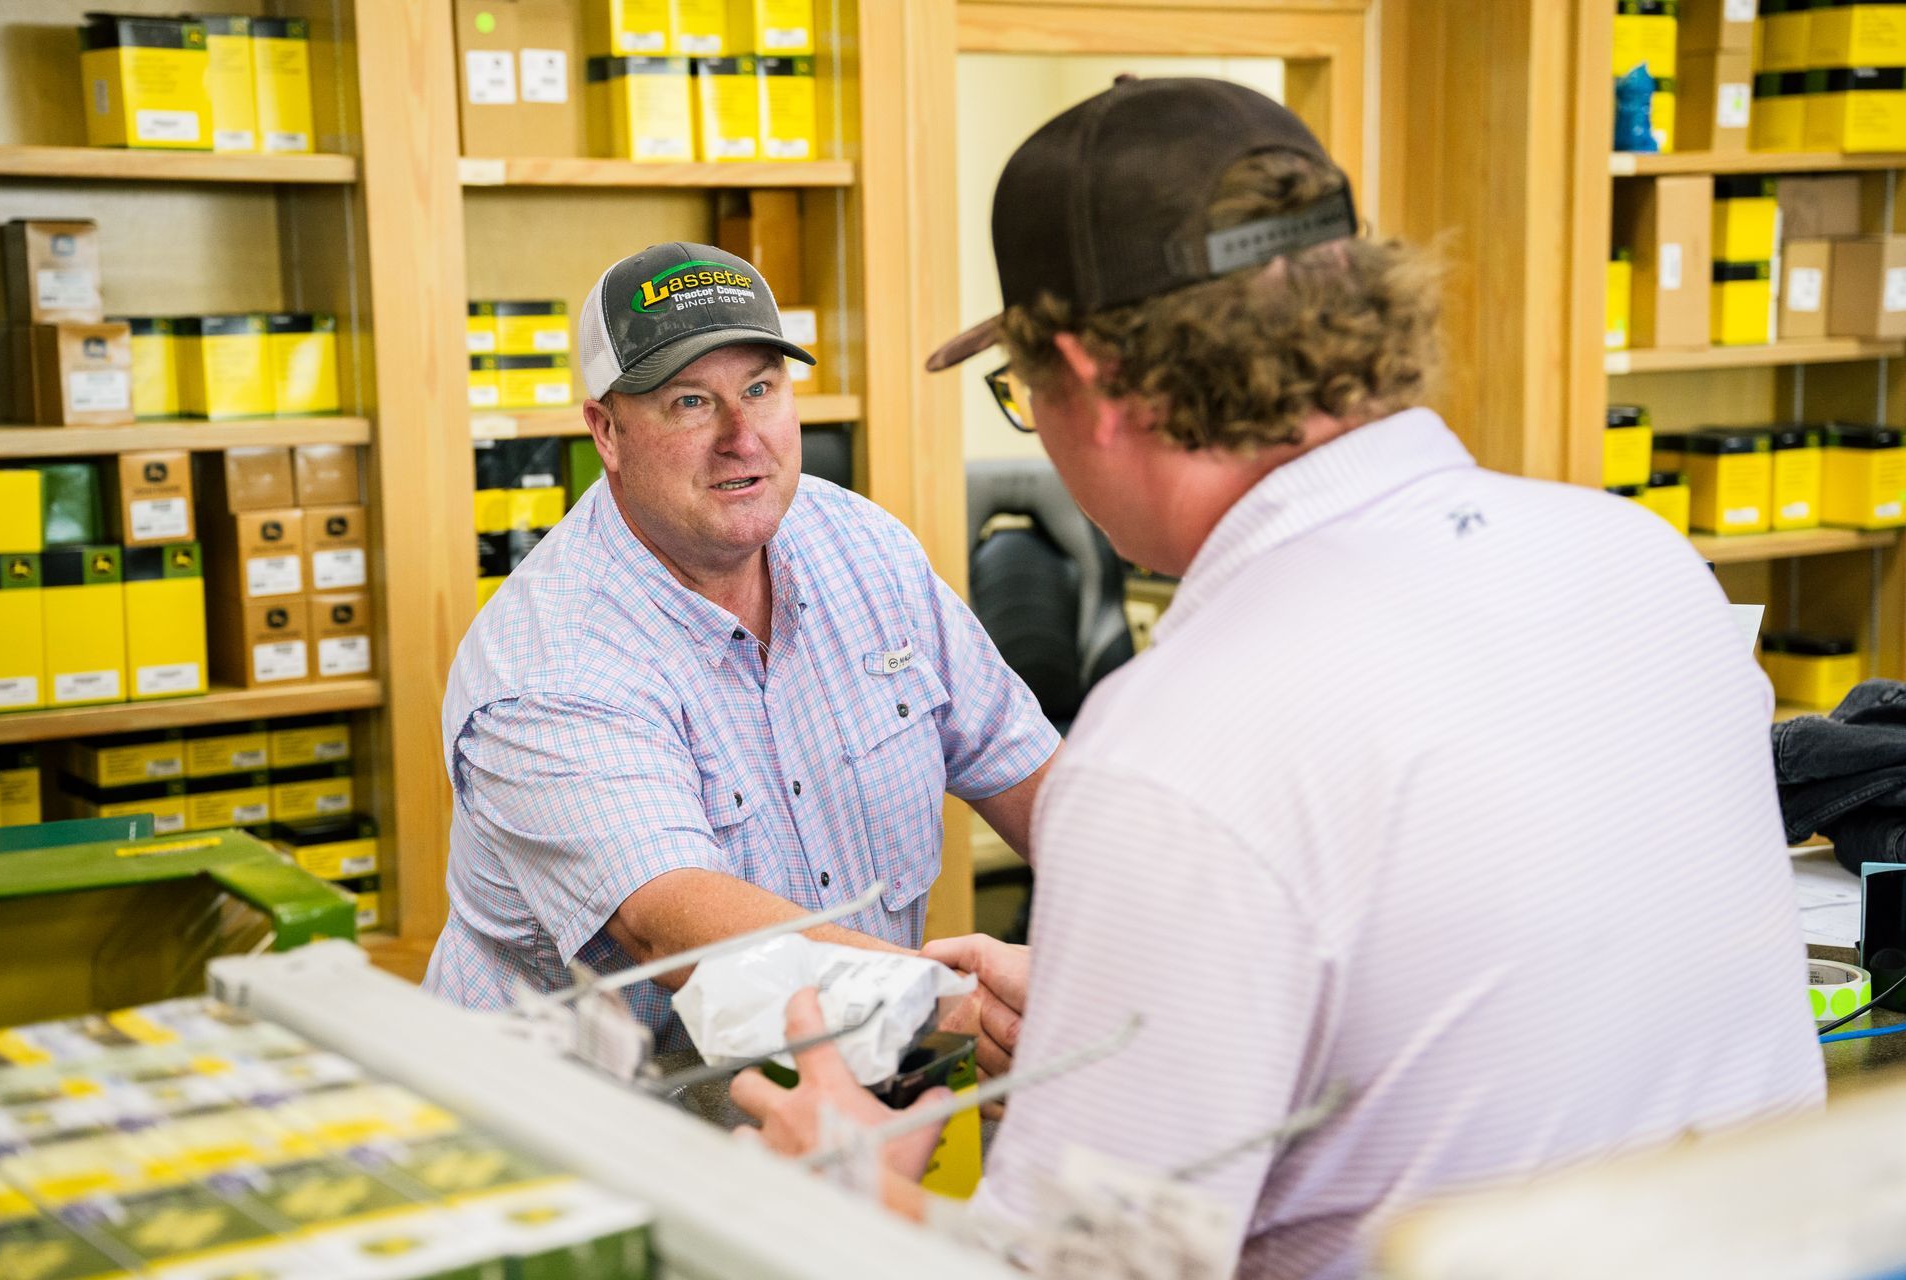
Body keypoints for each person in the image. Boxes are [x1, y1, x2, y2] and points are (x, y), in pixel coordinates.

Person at [732, 78, 1826, 1275]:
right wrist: (1135, 1006)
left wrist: (842, 1194)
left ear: (1092, 383)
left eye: (1022, 389)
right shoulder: (1645, 565)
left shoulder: (1178, 744)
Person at [424, 243, 1060, 1046]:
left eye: (760, 388)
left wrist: (1196, 931)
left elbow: (1031, 773)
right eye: (691, 402)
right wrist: (964, 1010)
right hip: (582, 1139)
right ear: (606, 432)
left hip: (828, 1104)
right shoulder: (546, 666)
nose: (742, 437)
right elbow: (679, 929)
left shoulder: (862, 547)